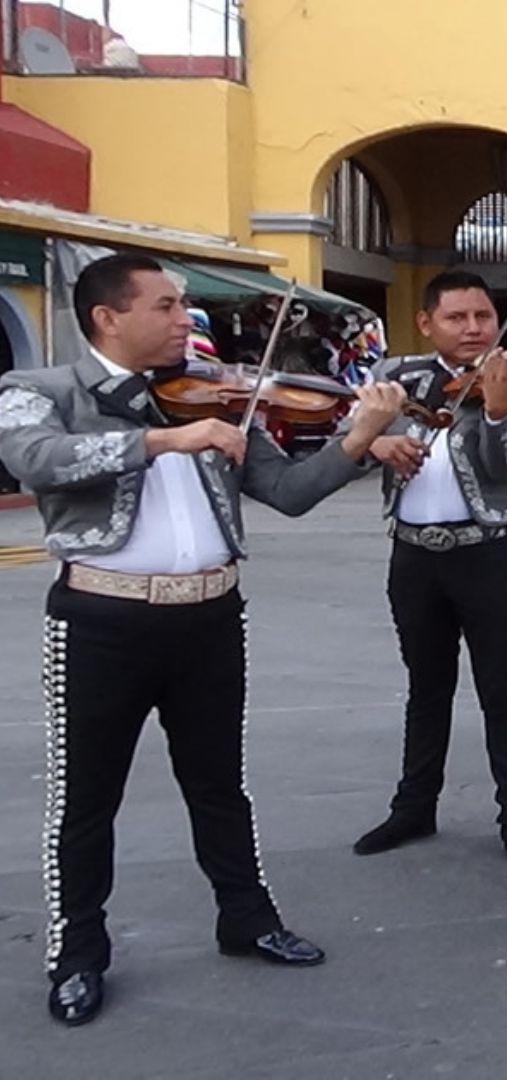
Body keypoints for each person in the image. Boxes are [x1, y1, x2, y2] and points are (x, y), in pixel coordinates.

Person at [0, 253, 405, 1027]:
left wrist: (359, 439)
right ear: (107, 319)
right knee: (85, 800)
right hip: (102, 623)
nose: (185, 318)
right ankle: (77, 953)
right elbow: (31, 461)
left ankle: (247, 918)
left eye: (183, 304)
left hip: (211, 617)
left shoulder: (217, 401)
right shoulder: (40, 392)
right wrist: (163, 441)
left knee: (220, 785)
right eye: (165, 306)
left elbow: (288, 492)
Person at [352, 269, 507, 872]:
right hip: (413, 553)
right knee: (425, 686)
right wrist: (374, 442)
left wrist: (497, 413)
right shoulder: (394, 377)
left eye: (483, 317)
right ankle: (414, 806)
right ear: (426, 322)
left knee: (503, 694)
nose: (473, 329)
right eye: (457, 318)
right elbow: (349, 441)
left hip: (489, 552)